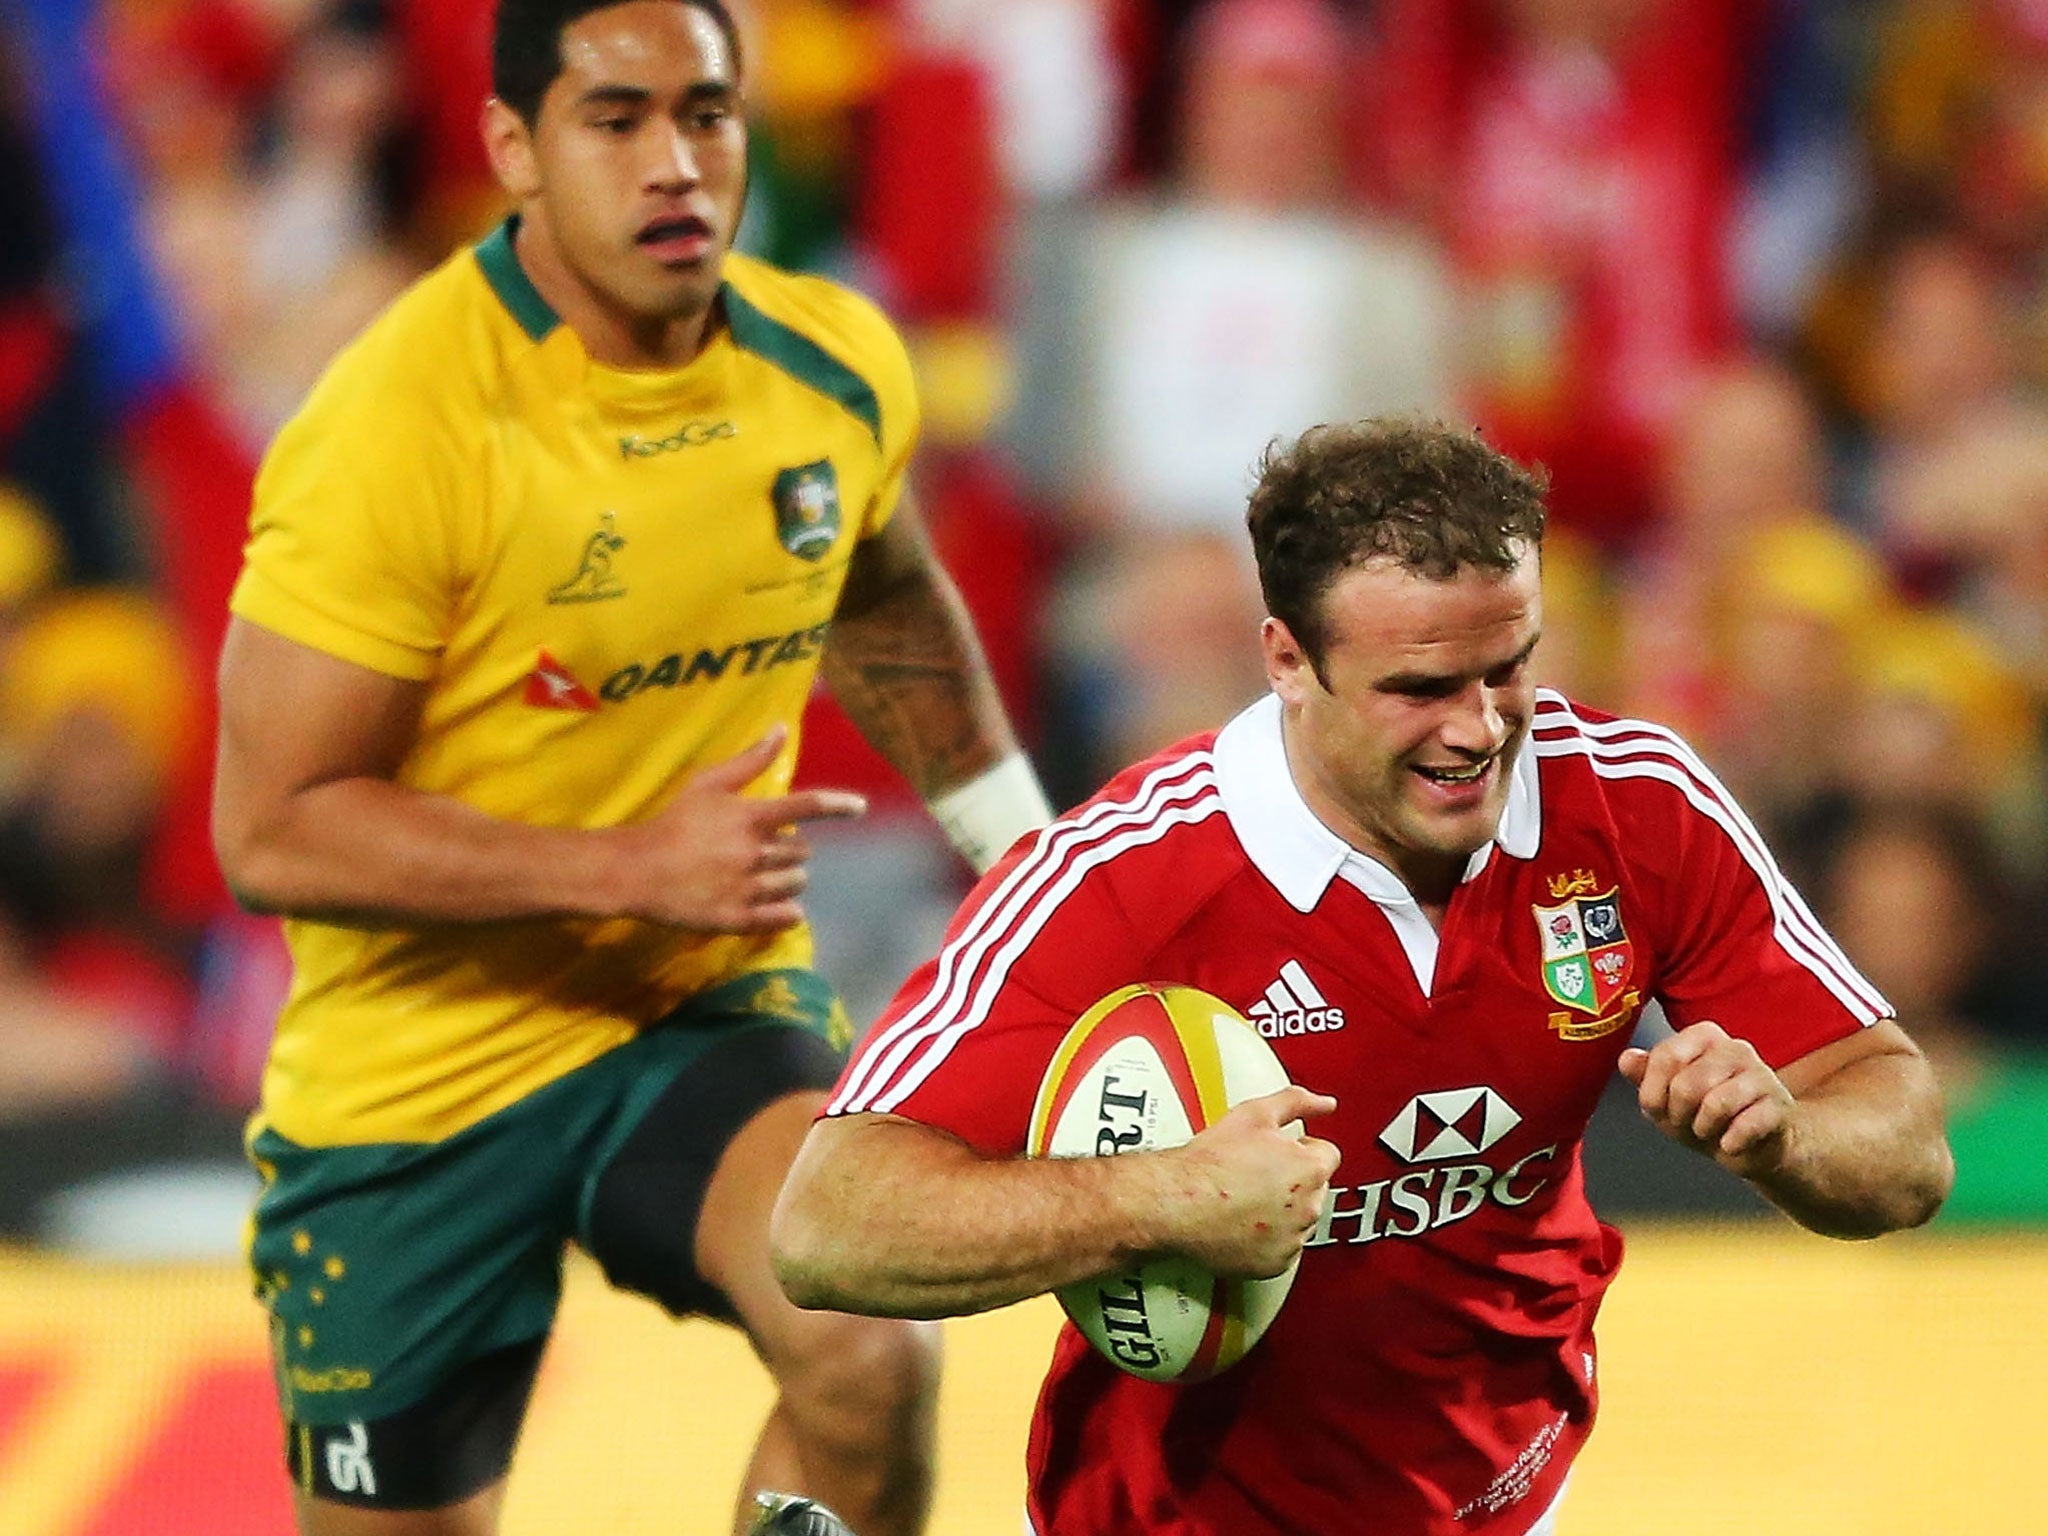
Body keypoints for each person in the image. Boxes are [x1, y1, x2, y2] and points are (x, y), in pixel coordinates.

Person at [771, 418, 1953, 1535]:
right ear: (1287, 660)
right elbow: (828, 1227)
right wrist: (1156, 1203)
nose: (1479, 730)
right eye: (1418, 690)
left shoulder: (1633, 803)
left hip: (1510, 1493)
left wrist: (1783, 1137)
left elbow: (1902, 1145)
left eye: (1507, 667)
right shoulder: (1119, 881)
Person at [210, 2, 1050, 1533]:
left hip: (697, 1007)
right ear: (511, 148)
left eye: (707, 113)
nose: (675, 162)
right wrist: (622, 869)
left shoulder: (831, 363)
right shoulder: (392, 429)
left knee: (869, 1349)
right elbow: (271, 831)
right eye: (616, 120)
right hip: (418, 1081)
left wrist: (1032, 867)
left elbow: (881, 589)